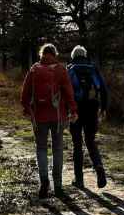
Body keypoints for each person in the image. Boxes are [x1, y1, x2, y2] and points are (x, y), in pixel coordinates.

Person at [21, 44, 77, 199]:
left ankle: (44, 181)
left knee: (41, 149)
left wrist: (27, 109)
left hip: (39, 116)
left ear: (42, 54)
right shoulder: (60, 69)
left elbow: (24, 94)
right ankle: (58, 185)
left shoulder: (34, 69)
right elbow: (69, 92)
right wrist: (73, 110)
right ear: (55, 54)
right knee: (58, 149)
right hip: (58, 116)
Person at [67, 45, 109, 189]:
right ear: (85, 55)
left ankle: (79, 180)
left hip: (76, 109)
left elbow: (65, 91)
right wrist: (103, 108)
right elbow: (103, 89)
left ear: (73, 56)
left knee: (77, 144)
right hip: (92, 108)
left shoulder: (70, 69)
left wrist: (66, 110)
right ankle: (98, 167)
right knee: (90, 140)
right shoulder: (93, 68)